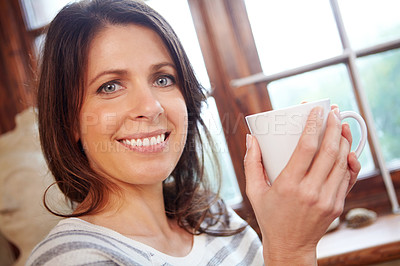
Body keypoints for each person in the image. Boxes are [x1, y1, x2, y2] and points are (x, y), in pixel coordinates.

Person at [27, 0, 361, 265]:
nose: (152, 106)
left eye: (162, 79)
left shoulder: (211, 215)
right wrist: (291, 250)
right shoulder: (69, 259)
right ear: (69, 119)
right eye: (110, 86)